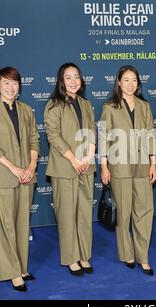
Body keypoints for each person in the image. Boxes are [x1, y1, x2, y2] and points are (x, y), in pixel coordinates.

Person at [0, 66, 40, 292]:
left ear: (19, 86)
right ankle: (12, 273)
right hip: (2, 176)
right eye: (6, 83)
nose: (10, 87)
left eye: (14, 83)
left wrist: (32, 166)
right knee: (6, 226)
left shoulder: (27, 110)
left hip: (26, 176)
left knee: (22, 224)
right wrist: (14, 168)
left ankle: (22, 267)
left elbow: (35, 139)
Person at [99, 65, 156, 276]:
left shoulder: (144, 106)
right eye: (126, 80)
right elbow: (104, 138)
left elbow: (150, 136)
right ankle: (127, 254)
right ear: (119, 82)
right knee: (122, 214)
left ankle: (144, 257)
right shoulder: (109, 107)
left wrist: (153, 163)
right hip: (119, 166)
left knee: (144, 212)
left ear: (138, 83)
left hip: (142, 166)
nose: (130, 84)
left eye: (134, 80)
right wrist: (104, 166)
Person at [44, 63, 96, 276]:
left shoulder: (85, 103)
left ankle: (84, 254)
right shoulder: (54, 104)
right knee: (67, 215)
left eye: (76, 77)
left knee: (84, 213)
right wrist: (74, 159)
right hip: (65, 167)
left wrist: (89, 154)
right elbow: (53, 135)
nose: (73, 81)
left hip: (86, 166)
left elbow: (92, 129)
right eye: (68, 77)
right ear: (61, 81)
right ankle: (71, 258)